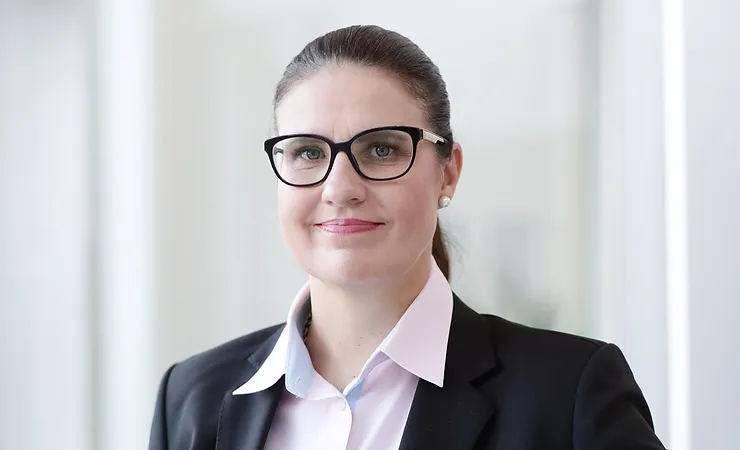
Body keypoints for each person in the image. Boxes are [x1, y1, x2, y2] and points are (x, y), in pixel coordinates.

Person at [148, 25, 666, 450]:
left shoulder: (568, 396)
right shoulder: (191, 398)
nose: (340, 188)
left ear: (448, 173)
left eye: (381, 150)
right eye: (307, 152)